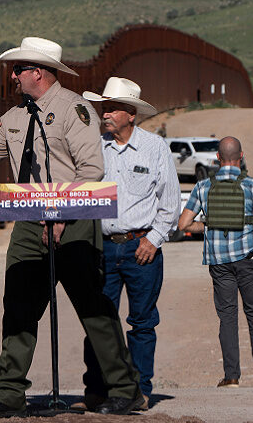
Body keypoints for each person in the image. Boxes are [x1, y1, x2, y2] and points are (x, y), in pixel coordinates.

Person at [0, 37, 143, 417]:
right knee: (19, 307)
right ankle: (10, 394)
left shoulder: (76, 109)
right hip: (28, 221)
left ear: (37, 73)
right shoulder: (14, 118)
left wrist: (59, 215)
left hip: (74, 219)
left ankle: (125, 389)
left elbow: (91, 170)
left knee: (92, 306)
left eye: (18, 69)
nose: (13, 76)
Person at [81, 77, 181, 410]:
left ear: (131, 114)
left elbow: (169, 202)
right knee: (98, 320)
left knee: (142, 322)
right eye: (103, 108)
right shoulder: (95, 149)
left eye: (112, 108)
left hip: (142, 248)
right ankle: (97, 389)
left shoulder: (155, 148)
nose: (105, 113)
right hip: (104, 248)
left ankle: (139, 390)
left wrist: (154, 239)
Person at [178, 136, 253, 389]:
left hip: (219, 263)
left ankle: (231, 377)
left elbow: (184, 225)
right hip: (248, 259)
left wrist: (210, 225)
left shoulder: (203, 187)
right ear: (241, 156)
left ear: (218, 158)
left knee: (227, 318)